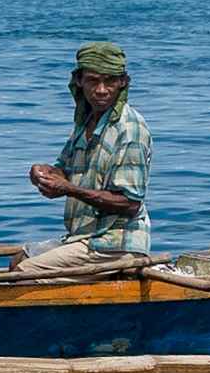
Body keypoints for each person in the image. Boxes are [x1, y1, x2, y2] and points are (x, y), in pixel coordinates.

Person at [11, 41, 151, 274]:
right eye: (93, 80)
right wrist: (43, 173)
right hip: (84, 236)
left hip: (114, 243)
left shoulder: (130, 129)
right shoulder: (85, 123)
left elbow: (129, 203)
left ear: (123, 81)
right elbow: (63, 171)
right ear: (79, 80)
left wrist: (69, 189)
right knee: (18, 260)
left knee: (25, 272)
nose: (102, 90)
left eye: (110, 81)